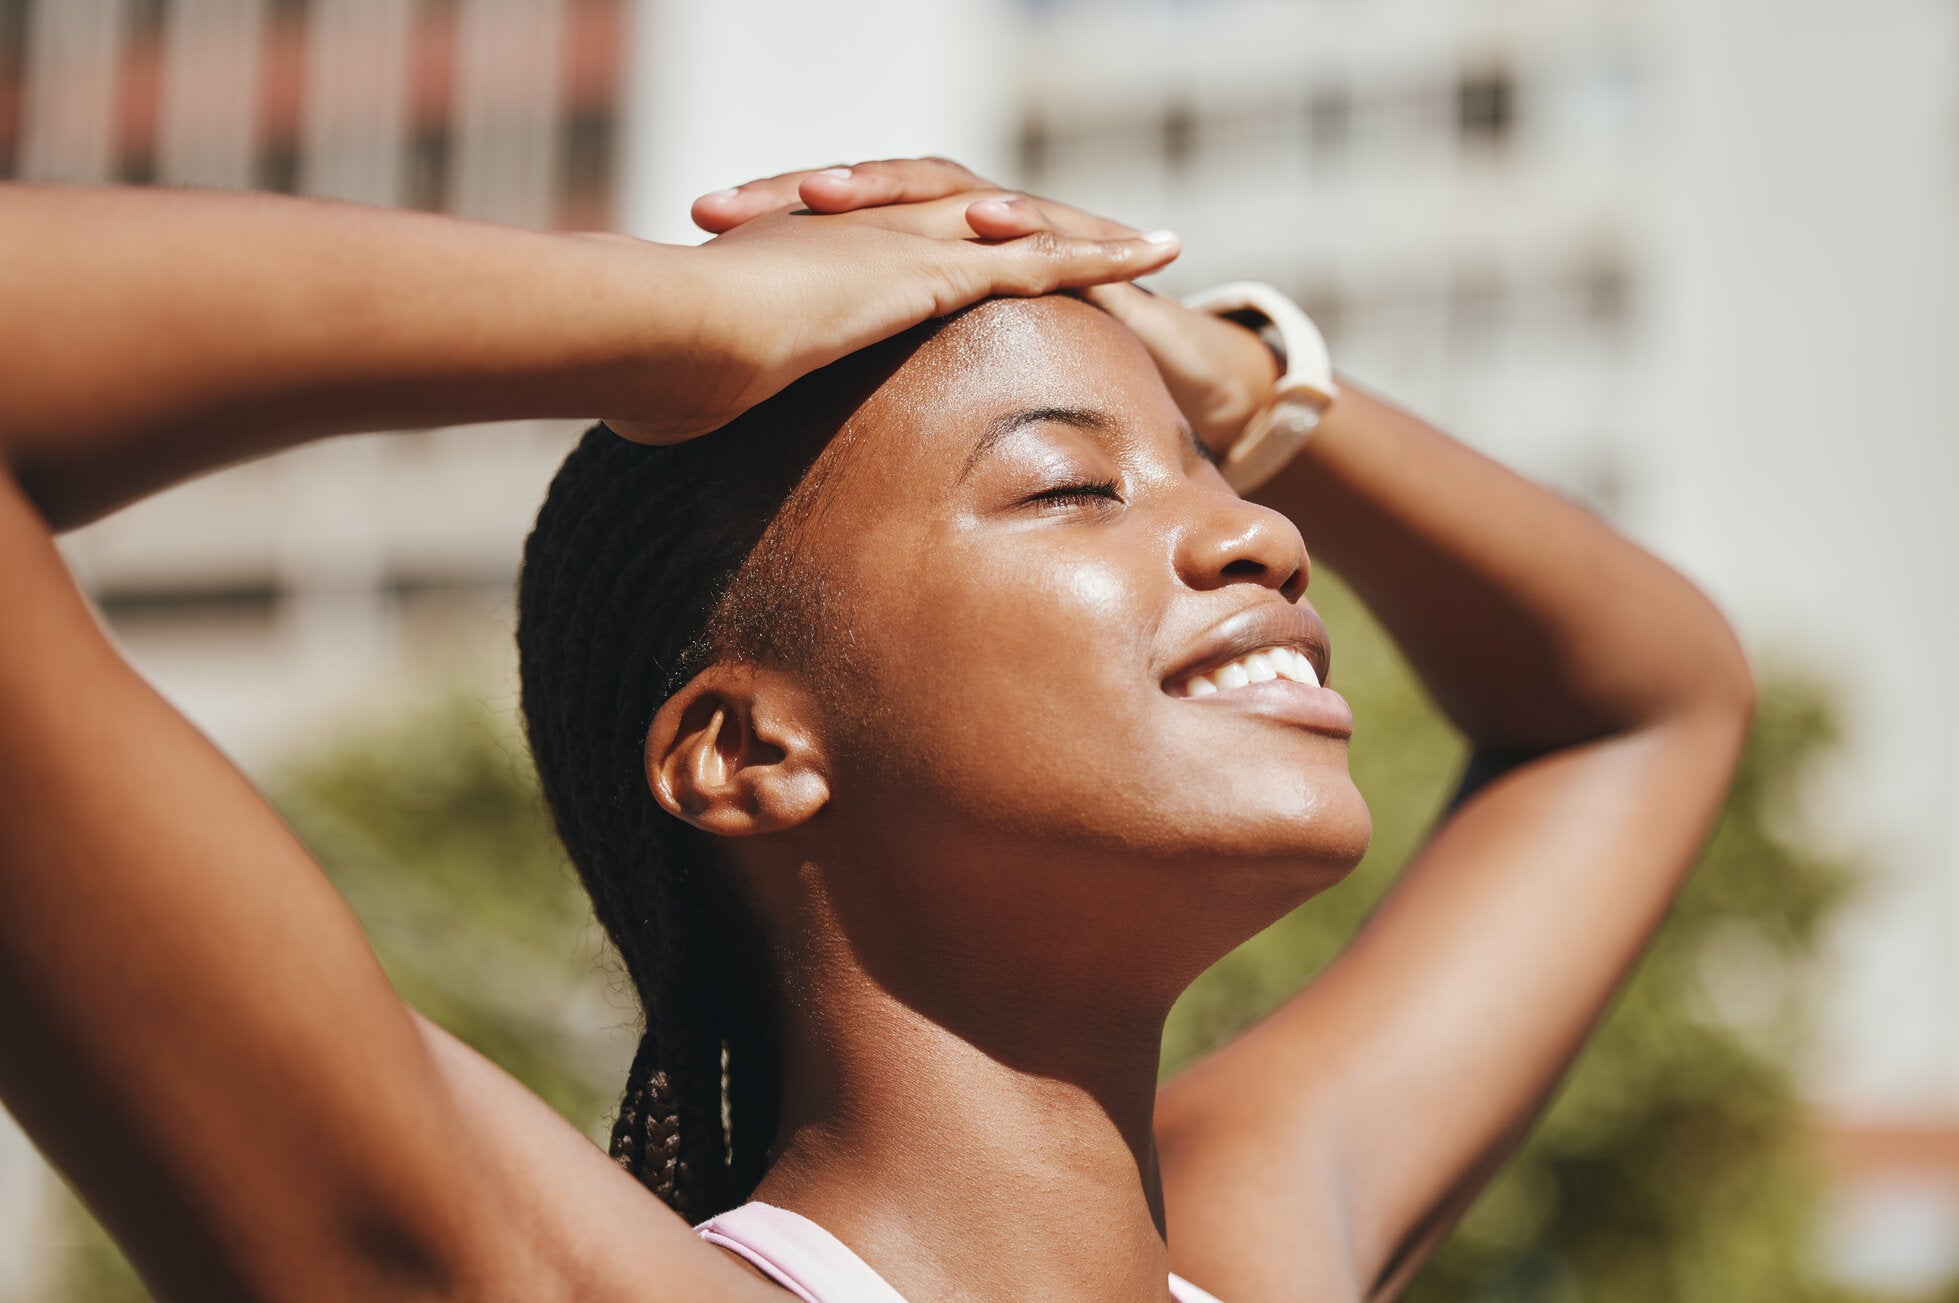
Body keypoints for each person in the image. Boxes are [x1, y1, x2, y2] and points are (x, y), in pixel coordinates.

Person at [0, 159, 1753, 1303]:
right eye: (1068, 484)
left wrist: (1242, 376)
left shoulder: (1260, 1249)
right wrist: (678, 314)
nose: (1262, 536)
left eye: (1217, 480)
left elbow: (1640, 702)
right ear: (746, 752)